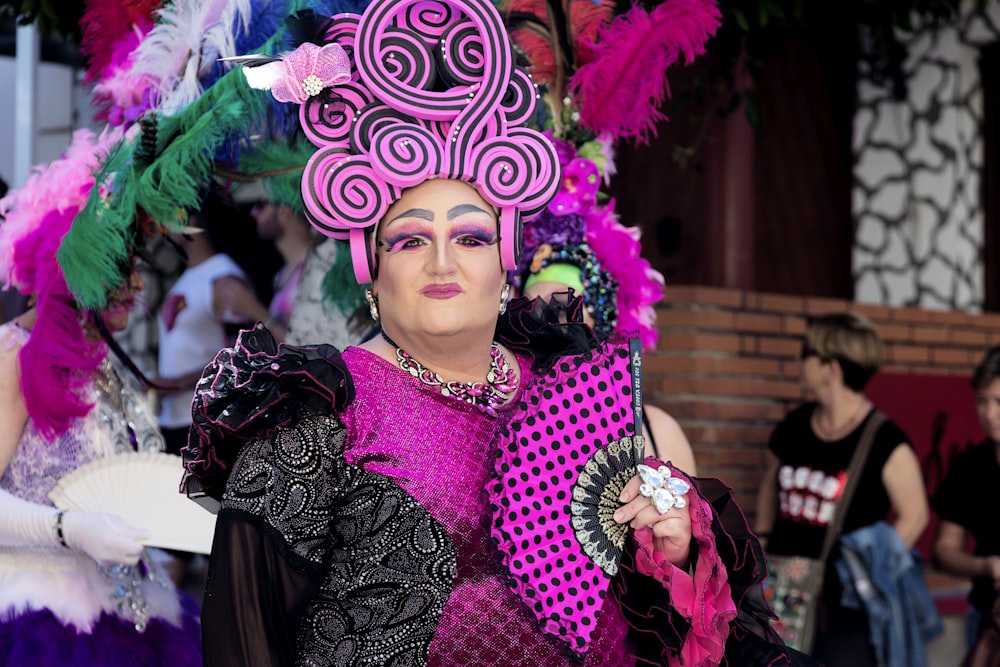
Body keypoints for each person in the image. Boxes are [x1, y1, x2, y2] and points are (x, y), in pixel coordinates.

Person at [181, 1, 808, 665]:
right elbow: (248, 644)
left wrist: (668, 550)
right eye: (411, 238)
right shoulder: (315, 421)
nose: (444, 261)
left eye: (471, 237)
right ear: (371, 268)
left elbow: (655, 625)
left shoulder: (576, 393)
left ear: (505, 259)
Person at [0, 129, 201, 665]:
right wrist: (69, 529)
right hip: (42, 619)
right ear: (76, 267)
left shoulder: (103, 357)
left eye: (139, 265)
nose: (138, 284)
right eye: (122, 266)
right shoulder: (12, 356)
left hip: (136, 614)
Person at [755, 312, 931, 665]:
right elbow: (770, 482)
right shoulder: (796, 423)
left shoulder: (884, 440)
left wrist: (870, 577)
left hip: (845, 610)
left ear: (830, 367)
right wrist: (760, 540)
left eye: (808, 352)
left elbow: (915, 516)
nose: (800, 361)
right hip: (783, 591)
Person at [153, 190, 273, 456]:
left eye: (170, 213)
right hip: (172, 422)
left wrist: (175, 384)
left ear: (191, 217)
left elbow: (241, 359)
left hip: (207, 423)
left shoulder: (223, 278)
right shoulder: (188, 278)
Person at [931, 345, 1000, 650]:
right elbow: (944, 550)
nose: (989, 413)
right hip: (987, 616)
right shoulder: (970, 467)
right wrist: (987, 566)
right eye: (982, 401)